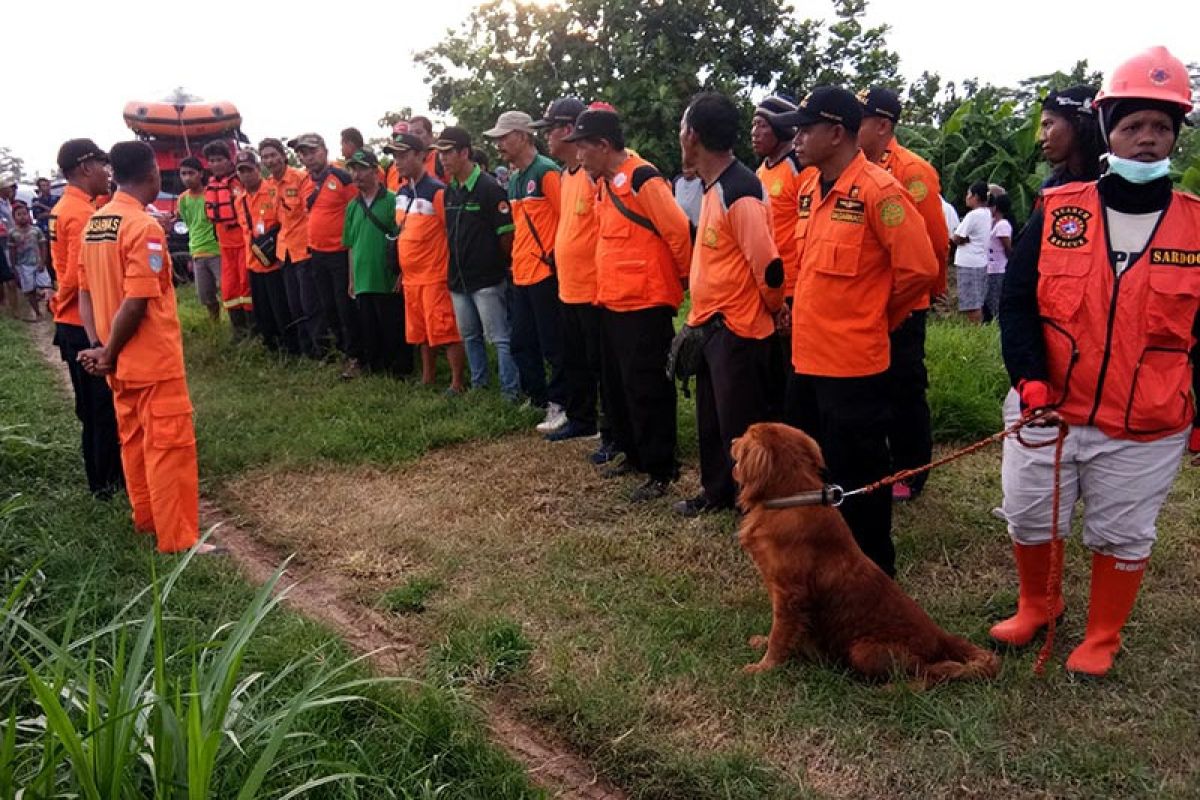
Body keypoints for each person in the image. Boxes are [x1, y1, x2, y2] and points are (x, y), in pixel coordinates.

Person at [995, 47, 1199, 677]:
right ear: (1109, 128)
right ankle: (1038, 606)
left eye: (1161, 127)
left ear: (1175, 137)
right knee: (1030, 511)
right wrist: (1027, 377)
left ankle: (1102, 635)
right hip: (1047, 405)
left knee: (1124, 530)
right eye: (1134, 125)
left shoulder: (1197, 227)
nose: (1147, 139)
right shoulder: (1061, 210)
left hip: (1147, 418)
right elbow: (1018, 302)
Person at [771, 87, 938, 577]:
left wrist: (877, 318)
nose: (795, 138)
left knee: (859, 477)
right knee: (808, 468)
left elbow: (920, 268)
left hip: (853, 365)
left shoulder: (879, 191)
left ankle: (871, 572)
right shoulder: (808, 189)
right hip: (806, 359)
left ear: (836, 132)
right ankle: (817, 560)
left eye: (804, 129)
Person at [76, 141, 217, 555]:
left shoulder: (96, 223)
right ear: (153, 172)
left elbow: (85, 293)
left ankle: (148, 521)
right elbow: (137, 300)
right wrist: (109, 350)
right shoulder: (143, 227)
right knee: (169, 448)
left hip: (119, 365)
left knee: (135, 443)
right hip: (152, 360)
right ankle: (178, 539)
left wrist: (100, 347)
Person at [567, 108, 693, 502]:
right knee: (619, 387)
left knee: (648, 389)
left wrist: (689, 285)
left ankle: (661, 467)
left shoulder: (643, 177)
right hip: (612, 300)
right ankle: (633, 452)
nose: (578, 156)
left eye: (583, 147)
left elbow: (678, 234)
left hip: (645, 302)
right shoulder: (603, 183)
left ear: (603, 145)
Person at [676, 92, 784, 516]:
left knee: (742, 426)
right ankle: (717, 491)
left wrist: (775, 310)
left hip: (740, 331)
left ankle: (754, 503)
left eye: (683, 127)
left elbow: (768, 267)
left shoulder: (739, 190)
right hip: (711, 325)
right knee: (712, 420)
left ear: (693, 136)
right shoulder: (712, 186)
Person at [857, 86, 951, 501]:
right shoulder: (855, 169)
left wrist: (925, 296)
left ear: (882, 125)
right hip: (869, 303)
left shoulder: (913, 172)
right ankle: (884, 463)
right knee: (875, 388)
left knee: (905, 387)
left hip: (906, 302)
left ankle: (912, 472)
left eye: (857, 120)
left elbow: (934, 244)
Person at [48, 138, 124, 498]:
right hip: (81, 324)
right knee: (100, 411)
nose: (106, 172)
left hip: (71, 322)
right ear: (85, 168)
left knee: (93, 409)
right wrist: (61, 305)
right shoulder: (80, 215)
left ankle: (102, 480)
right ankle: (106, 486)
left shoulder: (67, 207)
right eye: (101, 164)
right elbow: (78, 278)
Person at [533, 96, 609, 446]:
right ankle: (581, 420)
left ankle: (610, 427)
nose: (546, 137)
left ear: (568, 130)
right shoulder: (566, 175)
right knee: (574, 359)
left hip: (595, 288)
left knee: (601, 365)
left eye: (550, 130)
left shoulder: (596, 176)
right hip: (568, 286)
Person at [485, 110, 567, 431]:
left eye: (504, 137)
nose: (499, 145)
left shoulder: (546, 172)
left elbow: (565, 221)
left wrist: (554, 257)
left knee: (553, 343)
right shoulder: (516, 178)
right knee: (521, 340)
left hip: (545, 271)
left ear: (523, 135)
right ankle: (537, 397)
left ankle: (561, 403)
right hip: (521, 271)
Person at [437, 126, 521, 401]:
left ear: (464, 152)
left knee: (499, 337)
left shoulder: (489, 188)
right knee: (470, 336)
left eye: (448, 152)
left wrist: (496, 265)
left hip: (486, 279)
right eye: (440, 153)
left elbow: (506, 235)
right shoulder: (449, 190)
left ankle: (511, 392)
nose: (442, 159)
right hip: (458, 280)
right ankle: (479, 386)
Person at [386, 132, 467, 387]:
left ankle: (457, 383)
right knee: (420, 331)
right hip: (410, 277)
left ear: (421, 156)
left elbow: (451, 232)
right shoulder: (400, 192)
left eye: (403, 155)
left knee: (446, 330)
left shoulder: (437, 192)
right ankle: (427, 377)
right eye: (395, 156)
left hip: (435, 275)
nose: (398, 161)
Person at [289, 132, 362, 377]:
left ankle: (356, 356)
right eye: (303, 153)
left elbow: (357, 212)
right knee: (327, 307)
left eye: (311, 151)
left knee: (346, 307)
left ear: (324, 150)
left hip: (341, 254)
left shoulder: (342, 177)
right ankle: (341, 350)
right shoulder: (305, 181)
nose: (307, 157)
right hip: (316, 254)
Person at [342, 147, 414, 378]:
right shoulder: (352, 207)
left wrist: (402, 274)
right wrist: (352, 278)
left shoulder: (394, 200)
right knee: (369, 327)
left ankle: (400, 370)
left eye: (362, 169)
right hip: (363, 278)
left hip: (388, 276)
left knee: (393, 325)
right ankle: (375, 367)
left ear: (375, 171)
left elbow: (405, 239)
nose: (357, 175)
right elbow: (351, 245)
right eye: (353, 169)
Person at [261, 137, 319, 357]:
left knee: (310, 304)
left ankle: (320, 350)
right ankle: (304, 350)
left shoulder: (300, 178)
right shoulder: (269, 185)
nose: (270, 160)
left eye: (273, 155)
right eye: (265, 157)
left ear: (283, 155)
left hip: (303, 250)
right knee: (294, 304)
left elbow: (309, 211)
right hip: (283, 253)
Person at [235, 150, 296, 354]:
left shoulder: (272, 190)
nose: (246, 175)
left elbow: (283, 225)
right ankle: (270, 347)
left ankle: (289, 347)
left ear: (257, 168)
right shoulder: (239, 200)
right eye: (241, 171)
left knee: (281, 309)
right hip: (253, 263)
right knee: (262, 311)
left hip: (274, 263)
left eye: (249, 170)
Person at [201, 140, 253, 335]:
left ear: (228, 160)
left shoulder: (238, 182)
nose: (215, 164)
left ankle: (252, 328)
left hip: (242, 242)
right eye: (212, 161)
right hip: (224, 245)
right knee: (229, 287)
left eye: (219, 160)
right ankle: (237, 329)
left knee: (245, 286)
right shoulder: (211, 184)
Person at [176, 156, 221, 321]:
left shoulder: (211, 193)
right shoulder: (182, 200)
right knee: (206, 296)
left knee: (230, 292)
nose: (187, 177)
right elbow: (190, 225)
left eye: (191, 173)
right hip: (197, 252)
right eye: (183, 174)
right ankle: (215, 327)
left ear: (201, 174)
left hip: (217, 250)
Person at [1038, 85, 1105, 191]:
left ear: (1079, 122)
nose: (1041, 138)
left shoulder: (1117, 185)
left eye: (1048, 125)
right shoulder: (1051, 188)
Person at [951, 181, 992, 323]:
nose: (967, 197)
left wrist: (962, 237)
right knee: (976, 300)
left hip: (969, 262)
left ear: (975, 196)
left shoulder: (973, 215)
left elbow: (956, 238)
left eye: (969, 194)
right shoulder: (987, 213)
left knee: (971, 303)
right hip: (980, 261)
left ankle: (975, 331)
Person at [8, 201, 52, 319]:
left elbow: (43, 246)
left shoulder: (36, 230)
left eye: (25, 214)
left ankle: (51, 307)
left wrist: (43, 261)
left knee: (46, 286)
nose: (22, 217)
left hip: (38, 262)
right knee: (29, 290)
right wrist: (13, 267)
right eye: (19, 214)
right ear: (14, 217)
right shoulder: (12, 233)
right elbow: (12, 251)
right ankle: (37, 313)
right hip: (23, 265)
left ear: (29, 215)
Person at [983, 192, 1013, 324]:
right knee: (989, 298)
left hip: (998, 268)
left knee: (995, 300)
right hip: (990, 268)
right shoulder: (992, 223)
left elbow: (1007, 247)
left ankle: (997, 323)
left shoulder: (1002, 225)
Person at [0, 173, 18, 316]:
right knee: (8, 273)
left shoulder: (7, 203)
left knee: (13, 269)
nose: (11, 189)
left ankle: (14, 308)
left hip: (12, 238)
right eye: (8, 187)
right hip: (4, 241)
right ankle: (8, 307)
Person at [672, 165, 703, 230]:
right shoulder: (676, 180)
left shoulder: (702, 182)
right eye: (684, 168)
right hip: (680, 224)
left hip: (697, 225)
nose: (686, 171)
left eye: (689, 168)